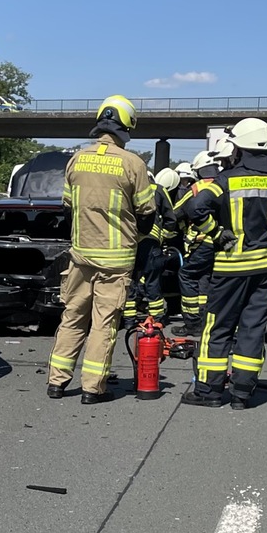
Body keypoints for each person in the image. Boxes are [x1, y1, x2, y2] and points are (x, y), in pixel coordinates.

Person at [183, 118, 267, 408]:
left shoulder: (225, 181)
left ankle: (209, 392)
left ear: (239, 148)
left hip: (232, 266)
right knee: (253, 328)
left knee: (217, 327)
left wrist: (217, 234)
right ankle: (243, 393)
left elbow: (195, 207)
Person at [47, 95, 156, 404]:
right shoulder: (133, 163)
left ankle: (56, 383)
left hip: (80, 256)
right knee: (103, 324)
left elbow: (67, 209)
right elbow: (147, 214)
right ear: (126, 126)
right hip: (117, 260)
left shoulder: (76, 159)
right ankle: (92, 389)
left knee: (72, 318)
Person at [171, 150, 222, 337]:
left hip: (203, 242)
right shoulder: (225, 183)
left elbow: (177, 211)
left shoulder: (198, 188)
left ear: (199, 171)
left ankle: (192, 323)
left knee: (187, 275)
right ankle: (206, 318)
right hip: (223, 243)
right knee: (205, 278)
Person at [122, 167, 179, 325]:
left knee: (130, 281)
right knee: (152, 281)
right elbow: (170, 218)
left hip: (129, 241)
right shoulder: (158, 189)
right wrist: (164, 237)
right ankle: (157, 320)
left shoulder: (127, 188)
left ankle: (129, 320)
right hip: (151, 243)